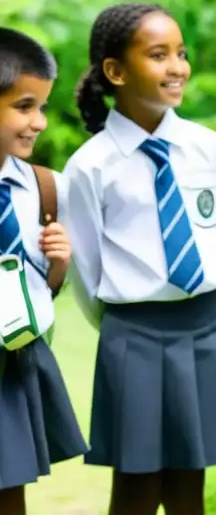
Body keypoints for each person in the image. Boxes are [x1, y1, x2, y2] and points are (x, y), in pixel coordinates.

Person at [64, 2, 216, 515]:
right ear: (115, 71)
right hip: (134, 335)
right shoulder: (91, 166)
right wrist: (126, 331)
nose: (177, 66)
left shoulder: (210, 148)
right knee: (135, 487)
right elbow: (87, 274)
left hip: (207, 325)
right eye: (159, 55)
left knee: (188, 482)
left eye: (181, 53)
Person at [0, 28, 88, 515]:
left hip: (12, 361)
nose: (39, 122)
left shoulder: (46, 189)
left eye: (43, 108)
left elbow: (39, 294)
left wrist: (57, 265)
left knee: (10, 487)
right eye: (24, 106)